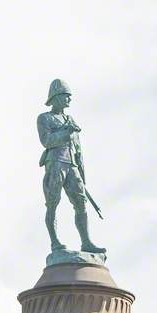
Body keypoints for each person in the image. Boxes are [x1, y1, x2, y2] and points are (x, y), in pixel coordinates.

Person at [37, 79, 105, 255]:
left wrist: (81, 173)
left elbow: (78, 149)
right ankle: (55, 242)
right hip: (56, 162)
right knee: (52, 203)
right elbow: (47, 141)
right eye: (66, 96)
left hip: (72, 165)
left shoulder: (70, 119)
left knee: (81, 203)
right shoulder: (45, 118)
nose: (69, 100)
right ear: (56, 97)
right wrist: (66, 132)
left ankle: (86, 242)